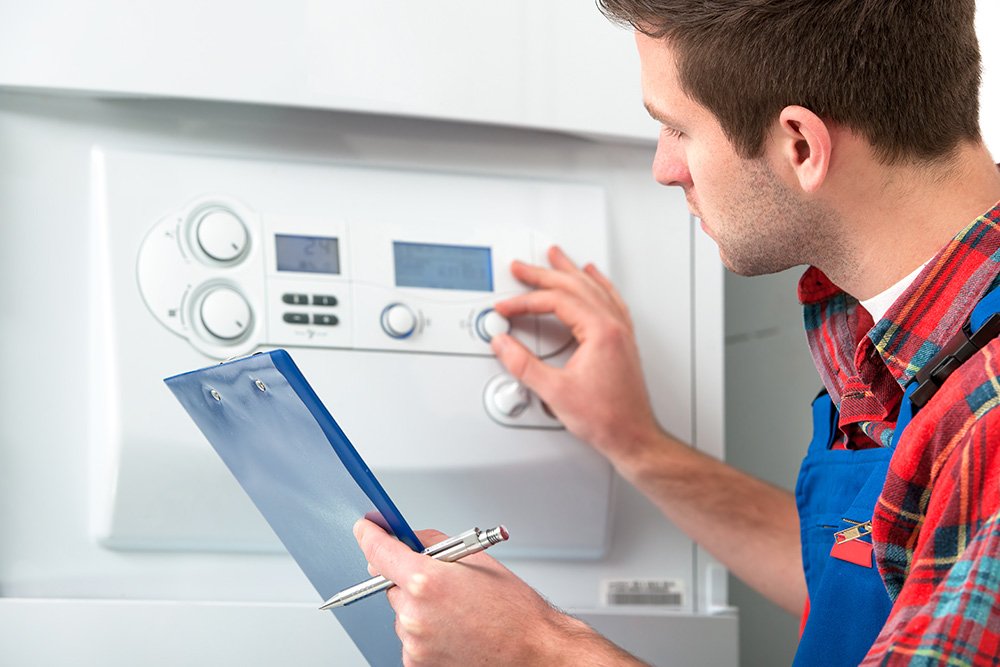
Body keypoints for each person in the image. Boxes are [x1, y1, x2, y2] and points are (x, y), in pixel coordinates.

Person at [355, 1, 1000, 664]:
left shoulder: (990, 412)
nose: (664, 168)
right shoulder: (903, 327)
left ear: (800, 146)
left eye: (677, 128)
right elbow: (895, 570)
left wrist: (536, 646)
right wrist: (632, 440)